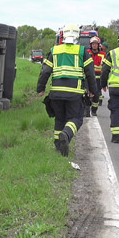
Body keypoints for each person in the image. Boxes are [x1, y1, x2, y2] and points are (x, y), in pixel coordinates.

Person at [37, 24, 98, 156]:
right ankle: (66, 134)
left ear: (63, 35)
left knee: (59, 119)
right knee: (76, 118)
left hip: (56, 94)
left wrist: (40, 88)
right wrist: (93, 91)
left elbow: (45, 71)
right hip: (74, 94)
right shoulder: (82, 52)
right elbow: (90, 74)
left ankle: (59, 147)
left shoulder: (54, 51)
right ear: (78, 35)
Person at [87, 37, 106, 116]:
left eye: (96, 44)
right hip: (88, 77)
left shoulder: (103, 55)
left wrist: (105, 80)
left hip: (98, 78)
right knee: (86, 94)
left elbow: (105, 68)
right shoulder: (87, 53)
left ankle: (94, 110)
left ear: (99, 45)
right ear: (91, 45)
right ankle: (86, 109)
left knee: (96, 95)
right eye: (93, 44)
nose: (94, 46)